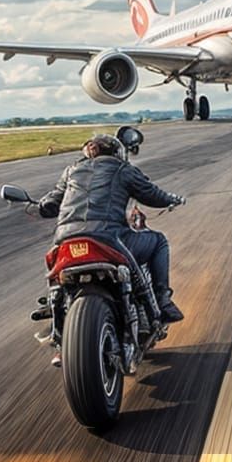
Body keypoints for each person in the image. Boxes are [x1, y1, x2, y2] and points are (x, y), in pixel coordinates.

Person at [38, 131, 185, 326]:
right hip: (109, 238)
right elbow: (152, 195)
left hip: (66, 240)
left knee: (56, 276)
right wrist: (172, 199)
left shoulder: (71, 171)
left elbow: (49, 204)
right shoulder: (123, 169)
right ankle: (162, 300)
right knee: (158, 241)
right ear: (117, 153)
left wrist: (40, 204)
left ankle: (56, 311)